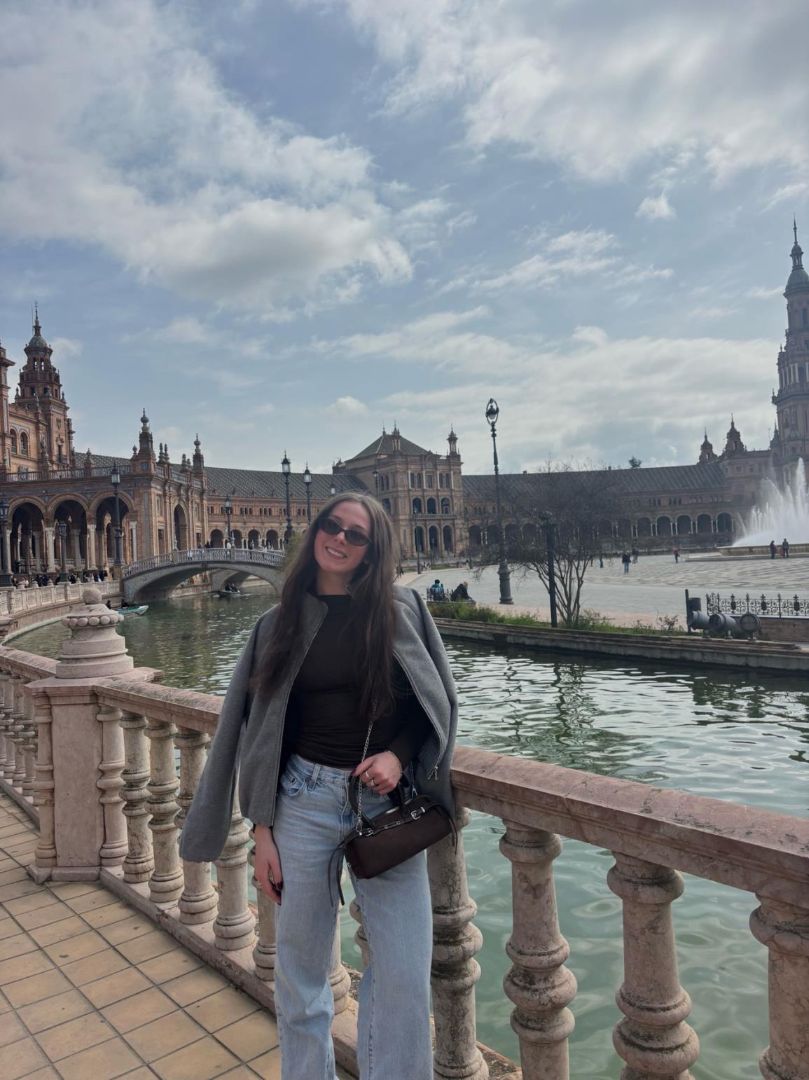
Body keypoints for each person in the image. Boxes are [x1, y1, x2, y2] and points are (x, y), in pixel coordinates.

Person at [180, 493, 457, 1080]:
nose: (339, 539)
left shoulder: (402, 610)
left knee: (405, 975)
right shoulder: (277, 623)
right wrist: (262, 831)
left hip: (385, 807)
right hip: (301, 804)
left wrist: (399, 757)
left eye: (355, 535)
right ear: (313, 534)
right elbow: (255, 731)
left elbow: (435, 706)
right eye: (330, 526)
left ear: (372, 550)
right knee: (301, 976)